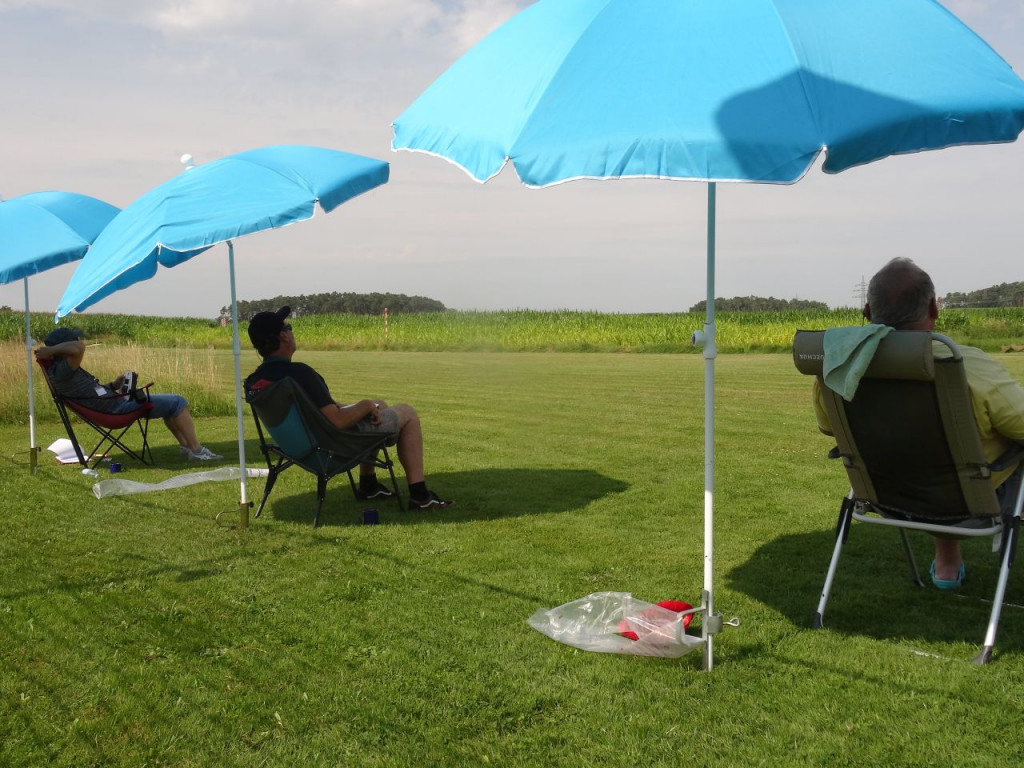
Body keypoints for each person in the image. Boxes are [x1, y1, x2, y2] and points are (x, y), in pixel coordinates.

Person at [813, 258, 1024, 589]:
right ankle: (949, 563)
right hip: (971, 504)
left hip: (887, 497)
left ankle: (947, 564)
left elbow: (830, 428)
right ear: (934, 308)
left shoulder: (838, 369)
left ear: (867, 311)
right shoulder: (962, 363)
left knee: (930, 454)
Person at [244, 306, 453, 510]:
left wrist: (368, 406)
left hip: (299, 449)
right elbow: (338, 421)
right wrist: (365, 405)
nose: (291, 331)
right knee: (408, 413)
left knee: (379, 404)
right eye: (288, 327)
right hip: (332, 449)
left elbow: (317, 410)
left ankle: (369, 486)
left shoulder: (256, 381)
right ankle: (420, 497)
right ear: (283, 337)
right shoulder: (299, 374)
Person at [35, 327, 222, 461]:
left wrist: (113, 385)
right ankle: (197, 450)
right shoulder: (63, 371)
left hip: (112, 405)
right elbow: (79, 347)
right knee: (178, 402)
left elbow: (90, 394)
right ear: (64, 348)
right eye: (73, 339)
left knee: (170, 406)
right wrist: (50, 350)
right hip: (117, 411)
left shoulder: (62, 370)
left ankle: (187, 448)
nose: (77, 340)